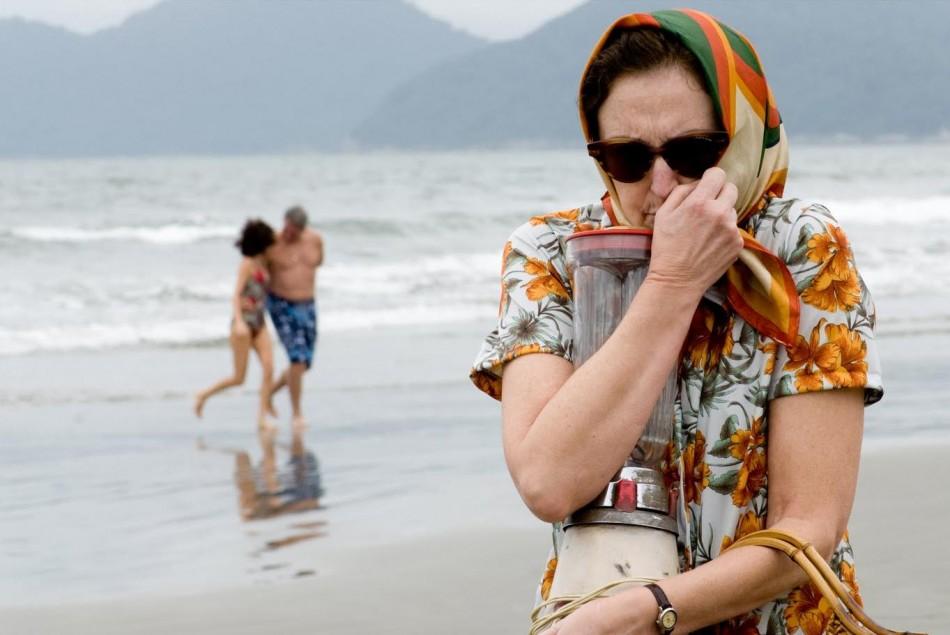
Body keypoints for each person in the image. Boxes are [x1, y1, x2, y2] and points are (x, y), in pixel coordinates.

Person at [471, 10, 882, 634]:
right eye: (626, 157)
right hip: (594, 612)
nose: (661, 186)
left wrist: (652, 610)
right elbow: (548, 481)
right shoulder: (552, 250)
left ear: (740, 137)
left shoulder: (799, 246)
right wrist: (672, 285)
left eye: (693, 152)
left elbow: (809, 526)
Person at [195, 219, 277, 434]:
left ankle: (261, 418)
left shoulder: (267, 263)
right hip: (243, 323)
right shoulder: (247, 264)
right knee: (239, 378)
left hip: (260, 322)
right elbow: (236, 295)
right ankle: (204, 394)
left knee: (269, 367)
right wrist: (239, 321)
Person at [266, 206, 324, 429]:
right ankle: (297, 414)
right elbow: (255, 270)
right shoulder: (272, 244)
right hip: (282, 304)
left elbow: (317, 264)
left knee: (304, 363)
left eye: (295, 231)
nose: (290, 234)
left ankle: (268, 393)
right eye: (288, 229)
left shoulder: (315, 240)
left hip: (308, 305)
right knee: (297, 359)